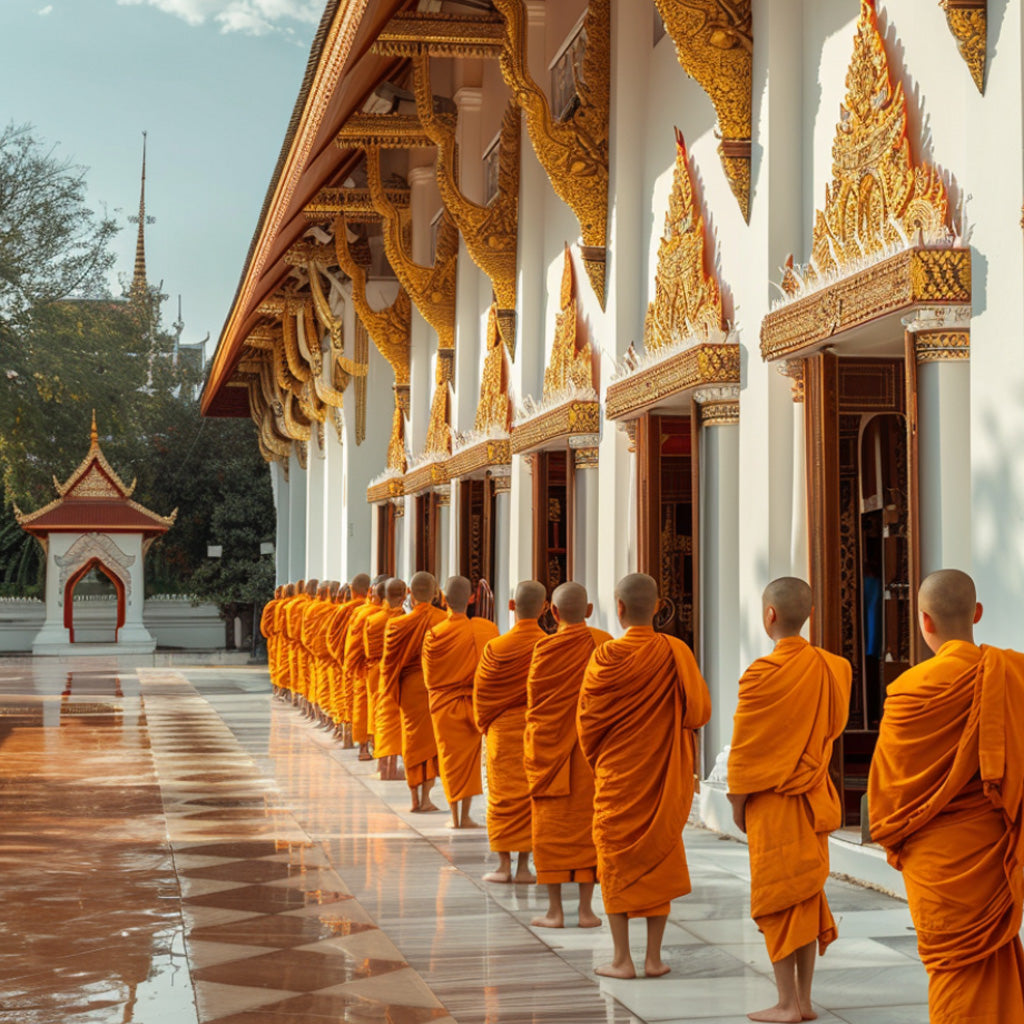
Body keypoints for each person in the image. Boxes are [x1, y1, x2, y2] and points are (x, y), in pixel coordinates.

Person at [869, 569, 1024, 1023]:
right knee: (990, 954)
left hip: (936, 859)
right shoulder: (1012, 676)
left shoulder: (908, 692)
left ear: (923, 621)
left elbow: (887, 795)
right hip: (993, 848)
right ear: (977, 614)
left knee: (955, 970)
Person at [727, 577, 851, 1023]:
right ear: (809, 614)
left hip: (771, 803)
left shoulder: (760, 675)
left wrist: (738, 806)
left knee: (782, 899)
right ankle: (804, 1000)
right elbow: (832, 728)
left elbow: (744, 751)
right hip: (812, 794)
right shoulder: (835, 668)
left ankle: (786, 1003)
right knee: (805, 893)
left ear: (769, 615)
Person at [578, 572, 710, 979]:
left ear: (618, 609)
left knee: (615, 858)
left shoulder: (603, 658)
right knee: (659, 853)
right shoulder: (676, 652)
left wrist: (598, 759)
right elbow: (699, 712)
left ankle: (622, 960)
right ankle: (654, 958)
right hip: (661, 774)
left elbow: (587, 724)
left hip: (618, 775)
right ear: (657, 607)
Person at [524, 581, 609, 929]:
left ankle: (555, 911)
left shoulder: (544, 651)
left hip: (551, 752)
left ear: (553, 613)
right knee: (588, 824)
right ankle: (587, 911)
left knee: (552, 827)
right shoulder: (605, 645)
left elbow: (537, 706)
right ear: (589, 611)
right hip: (592, 754)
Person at [473, 580, 547, 883]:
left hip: (502, 730)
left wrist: (484, 724)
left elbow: (482, 693)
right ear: (545, 609)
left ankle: (503, 866)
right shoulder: (551, 647)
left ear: (511, 606)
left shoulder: (496, 647)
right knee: (532, 795)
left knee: (502, 796)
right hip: (539, 730)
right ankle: (524, 867)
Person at [422, 575, 498, 828]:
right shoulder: (486, 629)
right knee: (470, 759)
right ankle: (464, 816)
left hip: (444, 704)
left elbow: (429, 678)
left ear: (443, 598)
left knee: (450, 759)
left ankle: (456, 815)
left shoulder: (435, 634)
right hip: (474, 703)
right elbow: (490, 669)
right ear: (473, 598)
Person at [380, 571, 446, 812]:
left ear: (410, 594)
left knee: (412, 740)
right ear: (436, 592)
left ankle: (414, 799)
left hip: (409, 688)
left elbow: (387, 665)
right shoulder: (444, 621)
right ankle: (426, 798)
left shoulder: (396, 625)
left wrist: (391, 687)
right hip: (434, 687)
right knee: (431, 742)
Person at [366, 577, 407, 781]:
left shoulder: (373, 621)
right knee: (398, 720)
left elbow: (368, 651)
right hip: (402, 676)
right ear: (405, 595)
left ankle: (383, 766)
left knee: (381, 716)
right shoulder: (408, 621)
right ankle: (394, 765)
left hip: (378, 673)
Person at [345, 576, 384, 760]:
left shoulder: (362, 613)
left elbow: (352, 644)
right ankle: (381, 748)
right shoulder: (397, 616)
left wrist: (351, 666)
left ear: (371, 592)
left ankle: (363, 747)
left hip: (365, 667)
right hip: (387, 670)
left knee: (363, 705)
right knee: (382, 708)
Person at [326, 575, 368, 741]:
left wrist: (341, 659)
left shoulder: (343, 610)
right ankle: (365, 740)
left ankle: (346, 731)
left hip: (345, 661)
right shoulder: (369, 610)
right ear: (369, 590)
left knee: (346, 696)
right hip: (366, 666)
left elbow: (331, 638)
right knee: (363, 703)